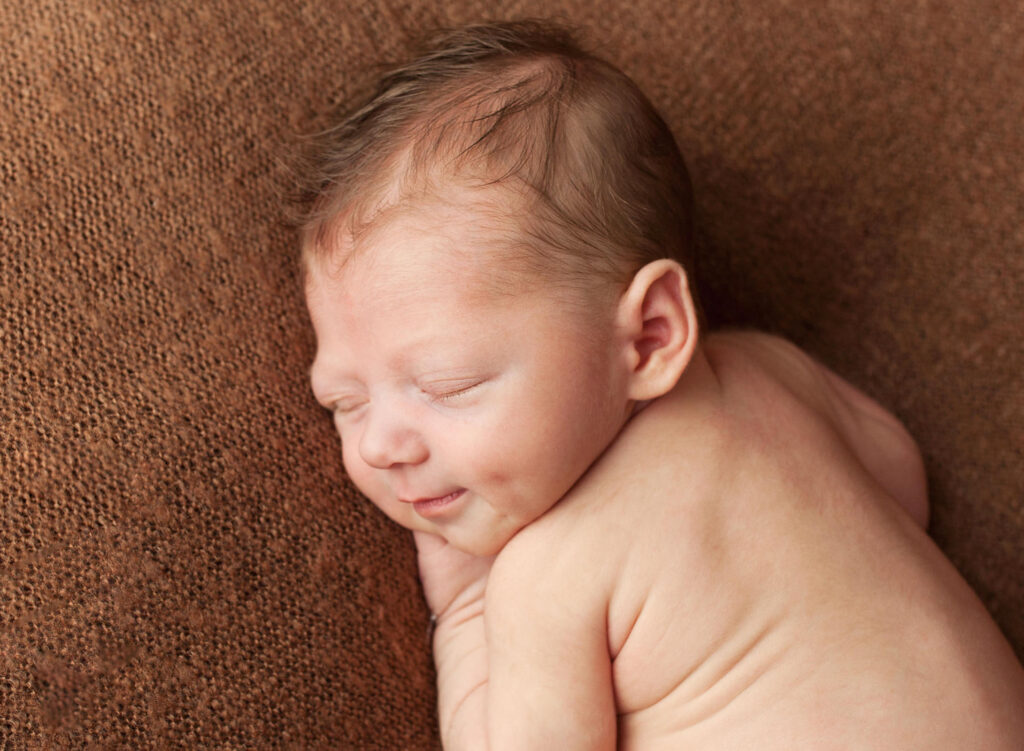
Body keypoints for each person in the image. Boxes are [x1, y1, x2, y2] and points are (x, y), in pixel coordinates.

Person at [296, 19, 1024, 750]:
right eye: (344, 402)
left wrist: (461, 611)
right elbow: (903, 479)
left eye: (448, 383)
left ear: (649, 335)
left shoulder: (549, 577)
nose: (382, 443)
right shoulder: (773, 372)